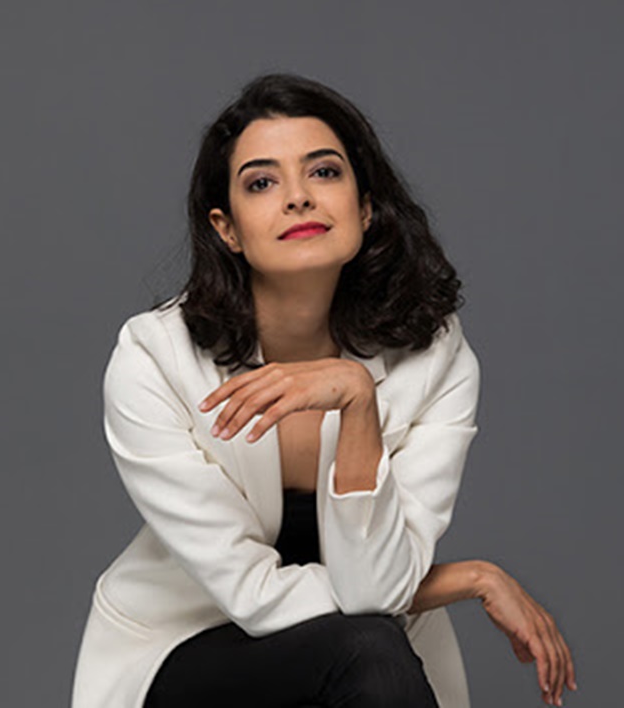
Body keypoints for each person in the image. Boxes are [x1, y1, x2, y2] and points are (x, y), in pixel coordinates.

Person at [71, 72, 576, 708]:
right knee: (370, 647)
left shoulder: (432, 353)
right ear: (227, 229)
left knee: (371, 648)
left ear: (364, 207)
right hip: (188, 646)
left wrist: (357, 400)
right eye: (262, 183)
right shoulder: (155, 358)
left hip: (367, 651)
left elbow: (378, 588)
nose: (298, 198)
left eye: (325, 172)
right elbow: (251, 594)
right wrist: (465, 579)